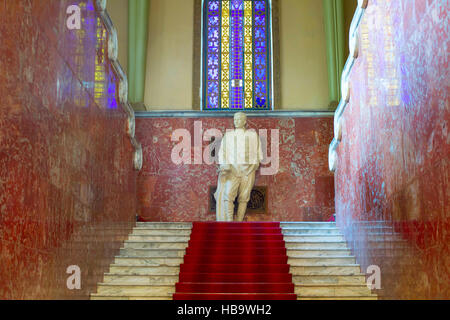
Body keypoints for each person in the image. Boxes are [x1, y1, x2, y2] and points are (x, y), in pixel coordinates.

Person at [214, 112, 263, 221]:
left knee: (244, 197)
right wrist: (224, 164)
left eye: (239, 119)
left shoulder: (253, 135)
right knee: (228, 195)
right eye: (235, 119)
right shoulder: (229, 135)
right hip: (232, 169)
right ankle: (229, 221)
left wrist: (255, 163)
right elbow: (222, 152)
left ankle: (239, 221)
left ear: (245, 121)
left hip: (248, 170)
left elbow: (258, 153)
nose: (236, 121)